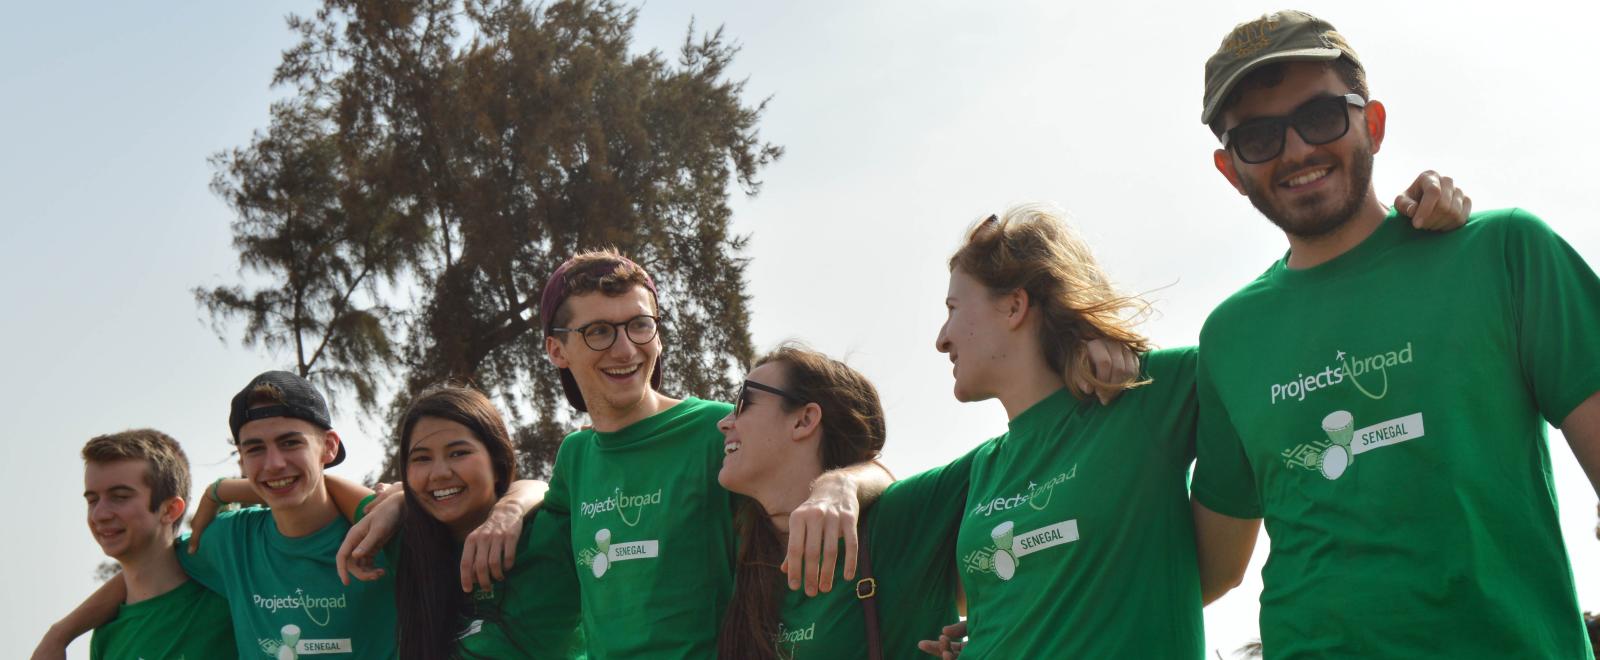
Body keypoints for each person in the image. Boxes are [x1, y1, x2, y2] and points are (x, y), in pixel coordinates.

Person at [1192, 10, 1600, 657]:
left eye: (1321, 116)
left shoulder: (1504, 252)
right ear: (1229, 168)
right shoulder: (1226, 339)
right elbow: (1210, 570)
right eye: (1259, 137)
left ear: (1372, 124)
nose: (1296, 150)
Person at [534, 249, 894, 658]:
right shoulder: (575, 457)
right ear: (557, 350)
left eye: (639, 325)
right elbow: (542, 523)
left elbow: (869, 466)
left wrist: (841, 485)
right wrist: (511, 505)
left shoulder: (719, 431)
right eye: (598, 331)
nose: (625, 350)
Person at [716, 344, 976, 660]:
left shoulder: (897, 517)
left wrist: (844, 482)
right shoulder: (731, 543)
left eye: (744, 402)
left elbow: (1028, 446)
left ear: (804, 420)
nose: (724, 422)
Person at [342, 385, 583, 659]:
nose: (440, 473)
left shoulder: (550, 534)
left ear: (498, 461)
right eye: (422, 458)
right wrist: (399, 501)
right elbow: (320, 487)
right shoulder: (403, 543)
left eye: (458, 453)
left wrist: (514, 505)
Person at [70, 429, 236, 659]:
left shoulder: (231, 601)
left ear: (169, 510)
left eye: (120, 496)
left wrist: (222, 490)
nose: (99, 514)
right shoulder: (106, 636)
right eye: (92, 500)